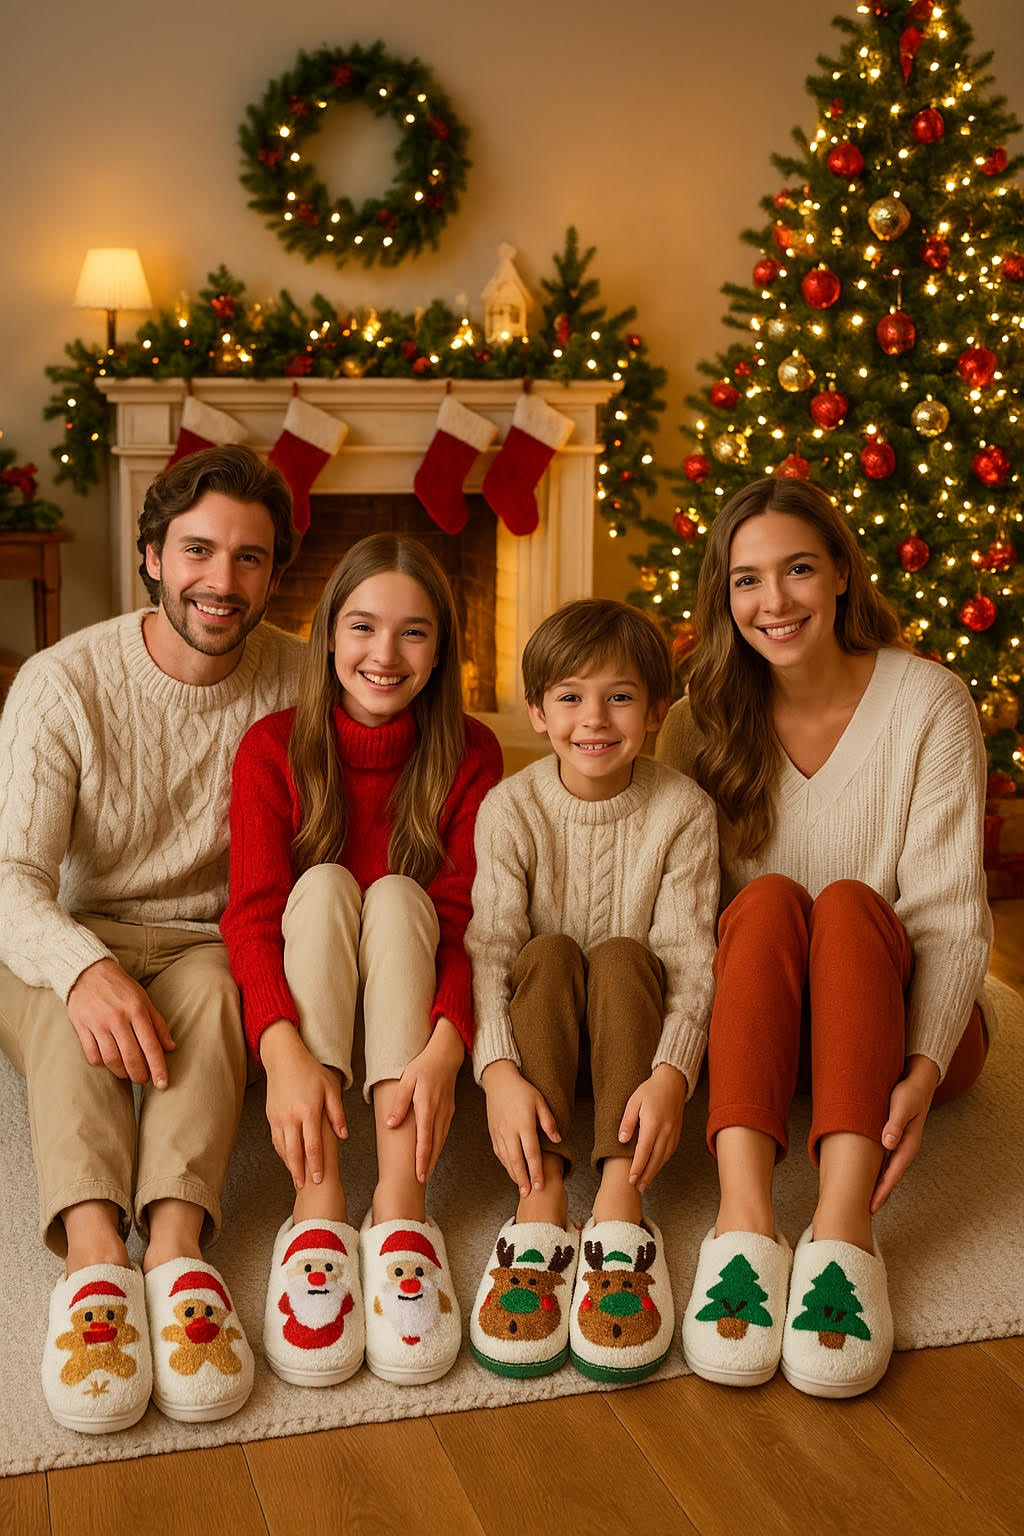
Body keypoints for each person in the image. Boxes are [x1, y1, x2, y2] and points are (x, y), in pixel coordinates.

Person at [656, 475, 1001, 1399]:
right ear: (724, 596)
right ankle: (744, 1220)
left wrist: (922, 1067)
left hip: (899, 1028)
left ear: (842, 572)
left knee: (847, 904)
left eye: (799, 569)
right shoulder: (696, 723)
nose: (774, 601)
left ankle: (845, 1229)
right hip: (761, 1033)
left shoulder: (929, 702)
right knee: (768, 899)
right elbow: (680, 923)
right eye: (747, 580)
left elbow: (951, 915)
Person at [0, 444, 304, 1433]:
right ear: (152, 557)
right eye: (198, 551)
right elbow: (11, 880)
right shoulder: (61, 682)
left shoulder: (301, 679)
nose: (223, 581)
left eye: (250, 557)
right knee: (69, 1015)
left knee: (215, 998)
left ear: (274, 574)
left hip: (203, 937)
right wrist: (82, 968)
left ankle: (175, 1251)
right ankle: (95, 1260)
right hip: (67, 922)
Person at [221, 531, 503, 1389]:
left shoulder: (472, 753)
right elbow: (252, 917)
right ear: (328, 636)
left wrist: (449, 1045)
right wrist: (281, 1049)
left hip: (407, 999)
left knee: (401, 895)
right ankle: (317, 1199)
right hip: (309, 994)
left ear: (441, 651)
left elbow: (467, 924)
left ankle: (400, 1204)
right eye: (363, 627)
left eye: (414, 632)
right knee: (325, 885)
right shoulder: (272, 746)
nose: (386, 654)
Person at [465, 598, 719, 1384]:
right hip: (538, 1052)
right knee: (546, 950)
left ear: (657, 710)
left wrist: (672, 1073)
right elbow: (489, 951)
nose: (595, 719)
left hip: (631, 1058)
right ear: (538, 712)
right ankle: (539, 1195)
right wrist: (497, 1072)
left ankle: (618, 1198)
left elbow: (691, 959)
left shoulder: (684, 811)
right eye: (571, 697)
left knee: (621, 954)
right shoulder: (511, 808)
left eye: (620, 697)